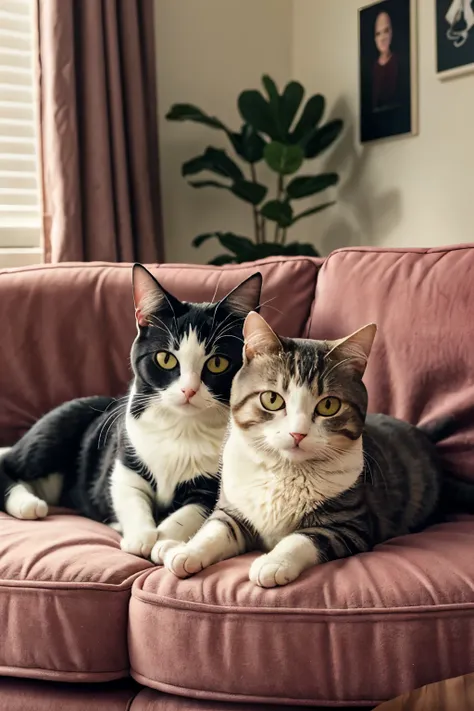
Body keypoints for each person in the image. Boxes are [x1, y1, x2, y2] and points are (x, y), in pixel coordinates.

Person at [372, 11, 400, 112]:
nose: (382, 38)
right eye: (378, 33)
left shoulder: (398, 63)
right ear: (375, 38)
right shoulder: (372, 69)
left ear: (391, 33)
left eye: (386, 31)